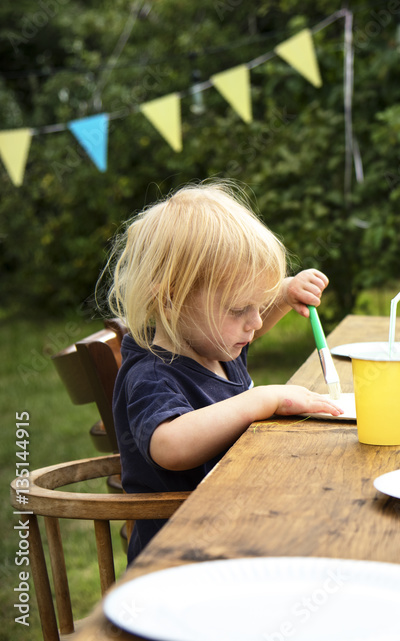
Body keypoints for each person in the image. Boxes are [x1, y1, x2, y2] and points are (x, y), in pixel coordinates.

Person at [104, 181, 342, 562]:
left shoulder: (214, 344)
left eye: (259, 303)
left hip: (234, 533)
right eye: (238, 309)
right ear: (169, 299)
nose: (256, 322)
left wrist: (283, 293)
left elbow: (250, 325)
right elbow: (170, 444)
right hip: (179, 559)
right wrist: (261, 399)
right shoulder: (151, 372)